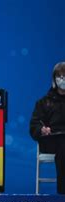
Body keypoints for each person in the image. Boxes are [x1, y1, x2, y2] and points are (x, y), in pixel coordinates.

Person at [30, 61, 65, 194]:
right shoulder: (44, 102)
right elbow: (34, 124)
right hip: (51, 140)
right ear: (54, 79)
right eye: (60, 76)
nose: (63, 80)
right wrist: (41, 130)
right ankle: (63, 197)